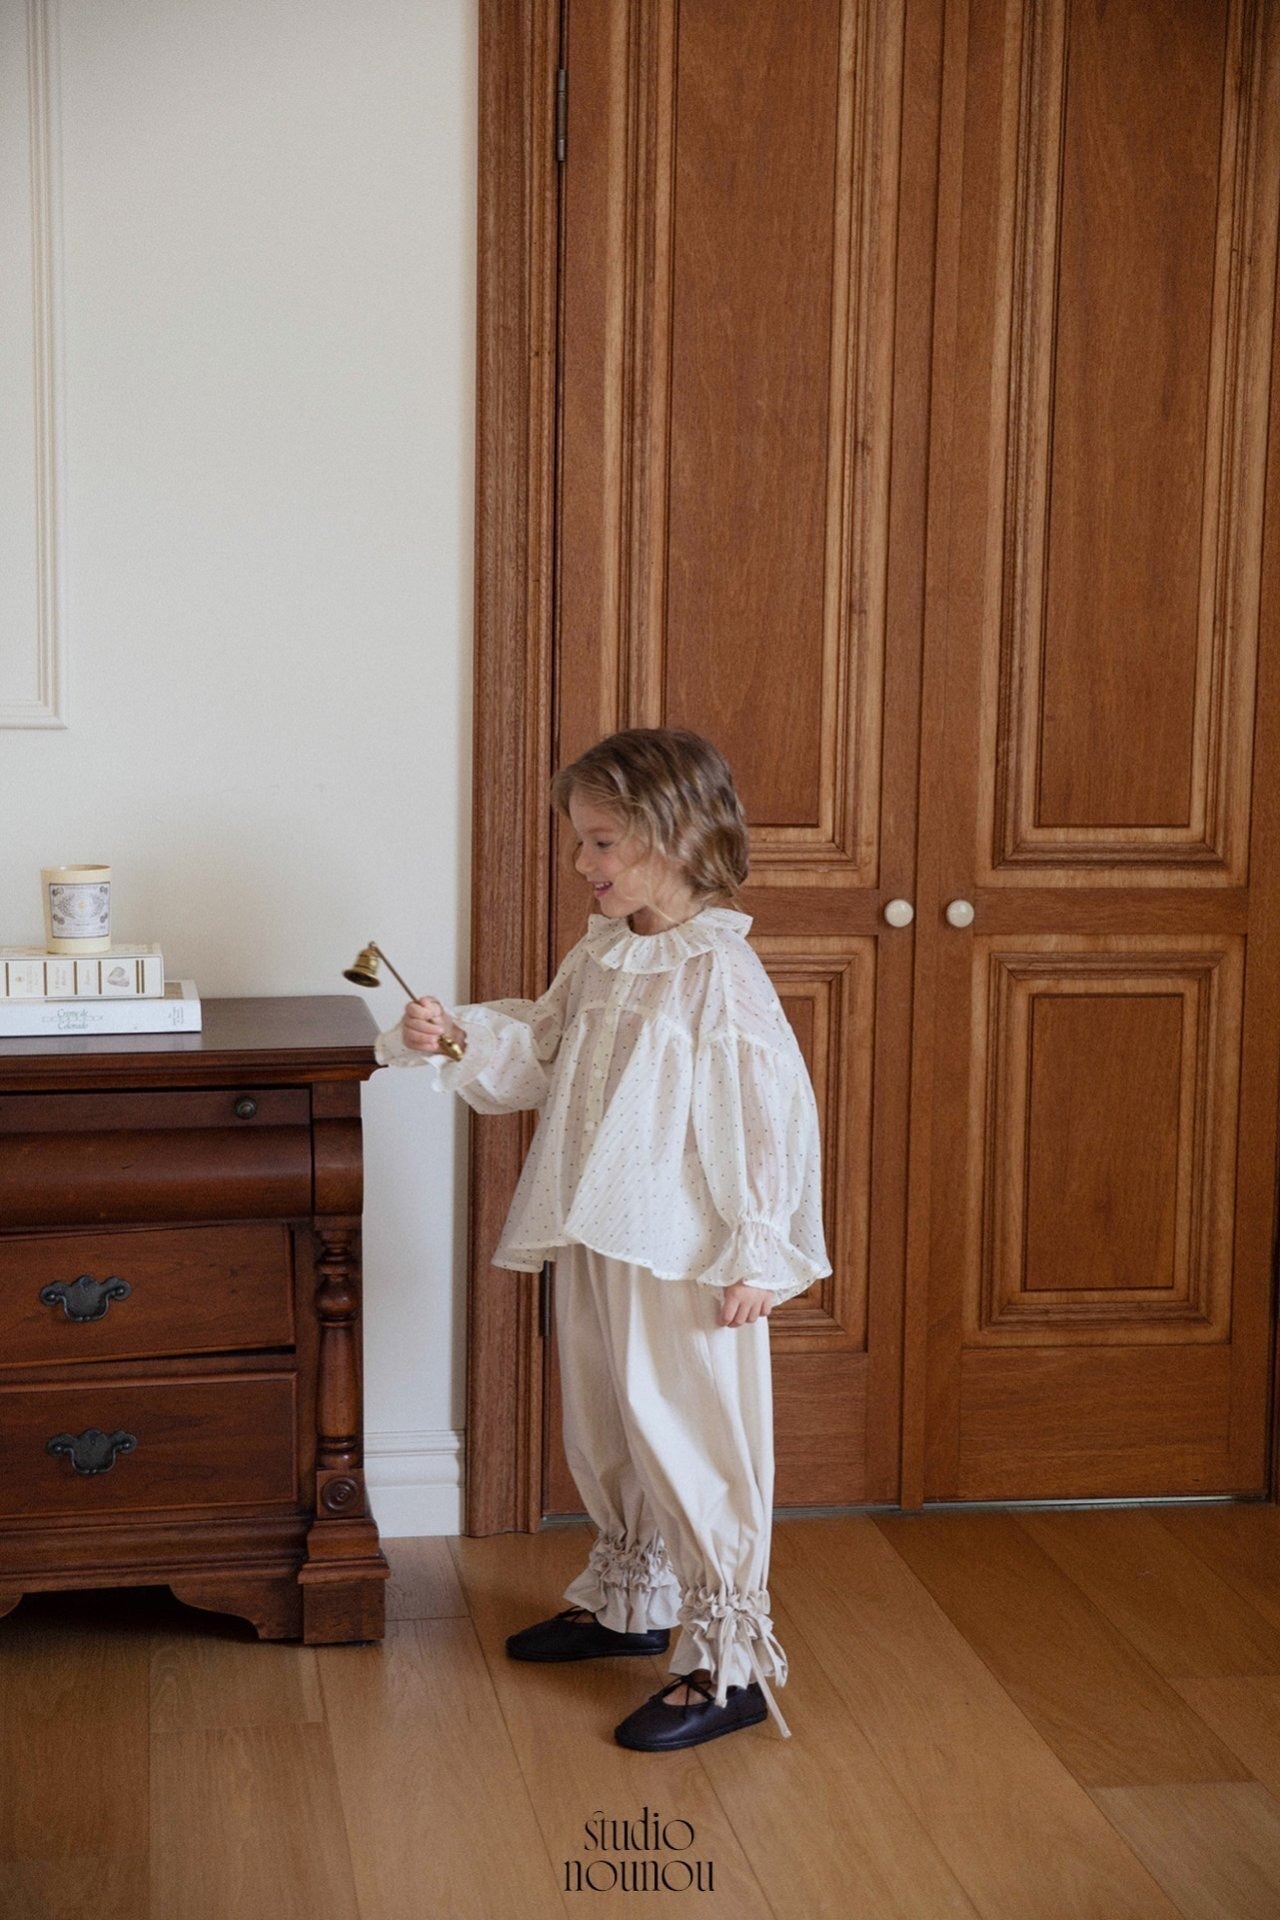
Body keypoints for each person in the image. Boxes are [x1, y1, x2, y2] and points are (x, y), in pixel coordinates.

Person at [374, 728, 830, 1748]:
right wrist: (455, 1036)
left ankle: (726, 1667)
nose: (582, 862)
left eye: (602, 843)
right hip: (598, 1221)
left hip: (687, 1248)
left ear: (674, 836)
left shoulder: (719, 972)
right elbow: (542, 1050)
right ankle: (632, 1598)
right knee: (605, 1414)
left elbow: (767, 1117)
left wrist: (758, 1248)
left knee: (689, 1431)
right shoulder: (604, 952)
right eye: (580, 841)